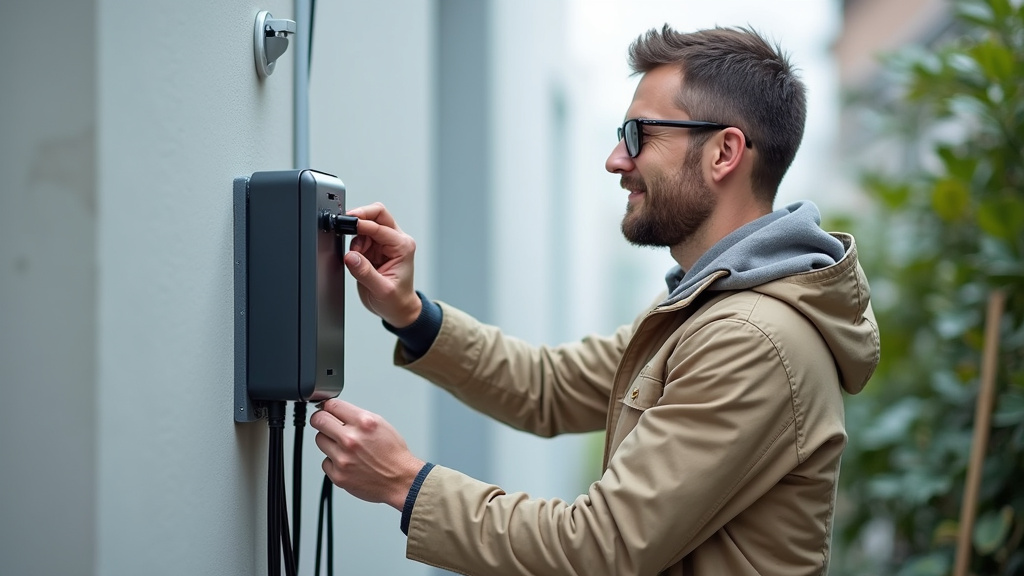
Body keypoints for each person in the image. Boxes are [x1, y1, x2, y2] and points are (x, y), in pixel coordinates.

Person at [310, 24, 879, 576]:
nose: (615, 160)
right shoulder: (707, 306)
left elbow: (601, 549)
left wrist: (404, 483)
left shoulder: (751, 339)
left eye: (639, 135)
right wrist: (409, 312)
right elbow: (548, 388)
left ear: (724, 152)